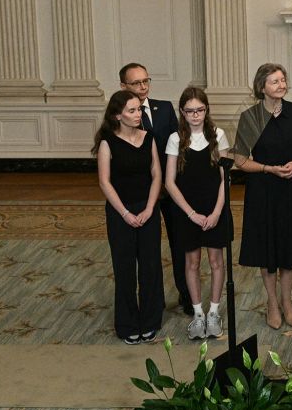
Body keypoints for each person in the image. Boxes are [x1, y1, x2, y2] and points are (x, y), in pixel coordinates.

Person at [234, 63, 292, 330]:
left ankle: (287, 301)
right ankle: (272, 302)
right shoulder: (251, 117)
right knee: (268, 250)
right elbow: (239, 160)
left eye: (283, 80)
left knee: (289, 248)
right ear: (262, 87)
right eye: (275, 81)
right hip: (263, 190)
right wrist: (268, 168)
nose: (281, 85)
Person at [120, 62, 192, 317]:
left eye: (145, 81)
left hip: (170, 189)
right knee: (148, 251)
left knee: (180, 244)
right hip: (140, 193)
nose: (142, 87)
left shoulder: (164, 110)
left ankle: (187, 296)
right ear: (123, 87)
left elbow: (177, 147)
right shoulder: (122, 116)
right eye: (136, 83)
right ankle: (154, 303)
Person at [93, 90, 164, 345]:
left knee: (150, 266)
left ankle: (150, 319)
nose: (137, 114)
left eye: (139, 110)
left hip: (148, 210)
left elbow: (157, 174)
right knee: (124, 269)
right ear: (117, 115)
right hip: (119, 212)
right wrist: (124, 213)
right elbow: (104, 182)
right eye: (132, 110)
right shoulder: (107, 143)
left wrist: (149, 208)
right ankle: (127, 323)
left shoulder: (149, 138)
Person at [164, 87, 232, 342]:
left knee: (216, 262)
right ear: (182, 112)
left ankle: (214, 312)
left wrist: (216, 212)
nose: (195, 115)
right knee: (191, 263)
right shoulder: (175, 139)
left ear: (206, 110)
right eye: (190, 111)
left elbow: (225, 178)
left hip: (214, 207)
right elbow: (170, 182)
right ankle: (198, 314)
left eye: (200, 110)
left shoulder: (218, 135)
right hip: (187, 211)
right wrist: (191, 214)